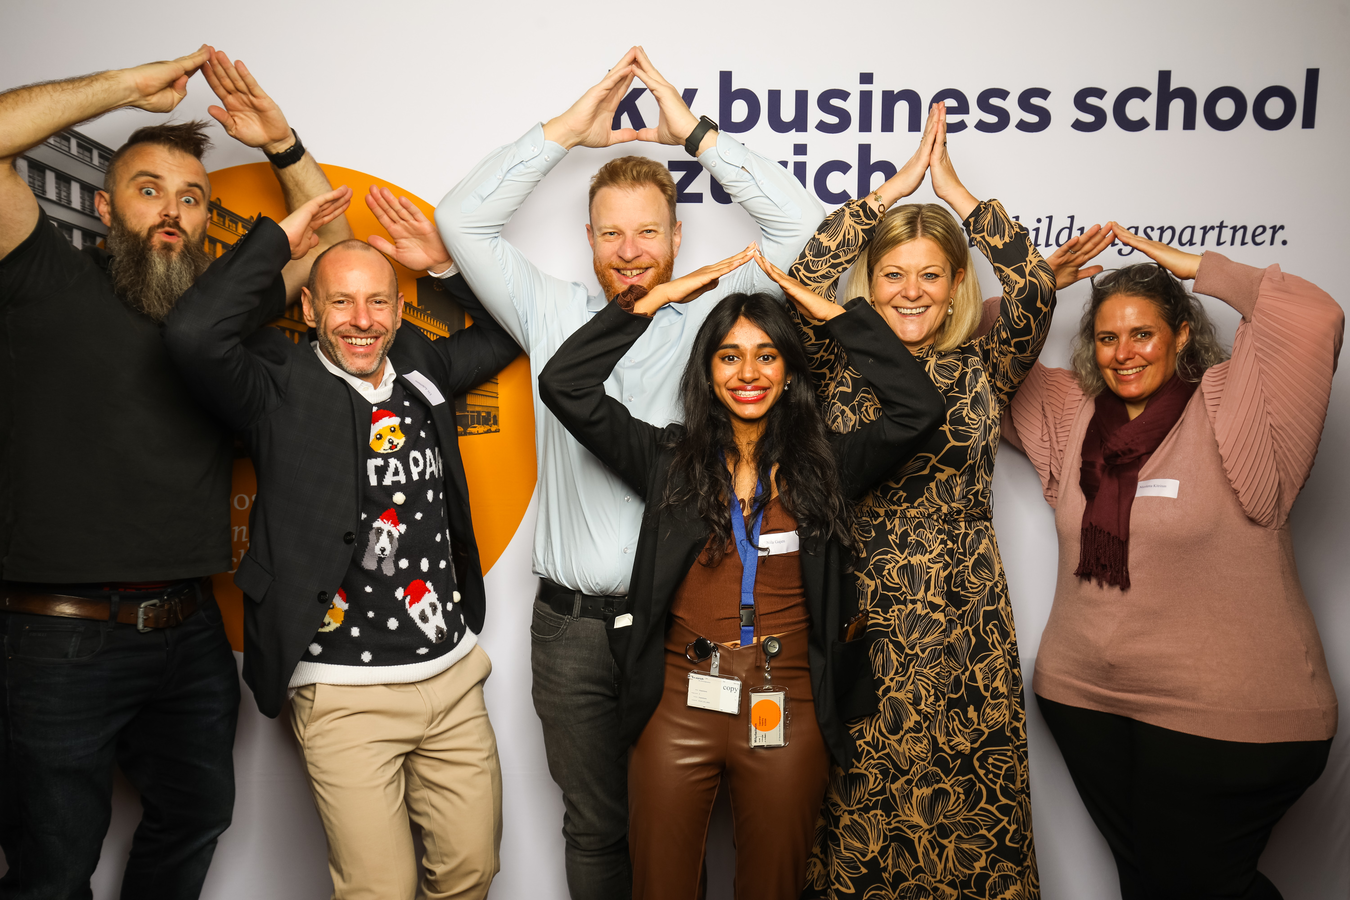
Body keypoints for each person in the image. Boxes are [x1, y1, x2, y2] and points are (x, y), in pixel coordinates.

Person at [436, 46, 823, 899]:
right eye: (610, 232)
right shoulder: (551, 311)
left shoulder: (713, 323)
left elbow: (804, 227)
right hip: (570, 630)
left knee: (678, 825)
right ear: (588, 240)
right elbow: (459, 222)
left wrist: (698, 136)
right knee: (596, 828)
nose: (631, 250)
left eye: (649, 230)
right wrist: (563, 134)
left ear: (678, 236)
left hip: (677, 619)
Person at [0, 46, 349, 898]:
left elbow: (342, 263)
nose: (172, 211)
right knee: (50, 871)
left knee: (194, 822)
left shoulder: (218, 311)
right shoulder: (44, 274)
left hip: (188, 631)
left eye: (191, 197)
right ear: (102, 205)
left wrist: (282, 144)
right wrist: (127, 88)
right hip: (57, 636)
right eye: (148, 189)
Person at [536, 244, 944, 899]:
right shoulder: (666, 460)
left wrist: (836, 317)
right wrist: (652, 303)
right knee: (660, 887)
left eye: (767, 355)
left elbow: (918, 411)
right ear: (707, 371)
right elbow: (565, 386)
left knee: (773, 887)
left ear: (789, 371)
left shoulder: (827, 466)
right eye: (729, 356)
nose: (748, 372)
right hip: (678, 695)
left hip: (788, 698)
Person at [163, 183, 520, 899]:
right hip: (343, 690)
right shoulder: (276, 382)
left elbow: (511, 330)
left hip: (450, 675)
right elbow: (193, 335)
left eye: (378, 302)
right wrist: (278, 240)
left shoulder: (420, 363)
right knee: (378, 890)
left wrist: (445, 266)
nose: (362, 321)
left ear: (398, 308)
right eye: (342, 303)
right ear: (309, 309)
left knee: (472, 872)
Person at [1003, 224, 1342, 899]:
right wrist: (1034, 288)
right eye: (1107, 337)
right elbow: (962, 347)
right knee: (1152, 885)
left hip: (1226, 716)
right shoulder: (1071, 414)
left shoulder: (1238, 405)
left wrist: (1196, 267)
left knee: (1197, 885)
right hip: (1087, 705)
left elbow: (1314, 315)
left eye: (1143, 334)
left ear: (1183, 333)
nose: (1124, 353)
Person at [783, 104, 1056, 897]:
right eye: (892, 274)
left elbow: (1035, 288)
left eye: (930, 274)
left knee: (973, 810)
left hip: (968, 615)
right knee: (863, 805)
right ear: (868, 284)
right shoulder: (832, 364)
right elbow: (803, 285)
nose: (910, 292)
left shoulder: (986, 365)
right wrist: (887, 195)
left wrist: (957, 195)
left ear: (957, 283)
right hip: (862, 611)